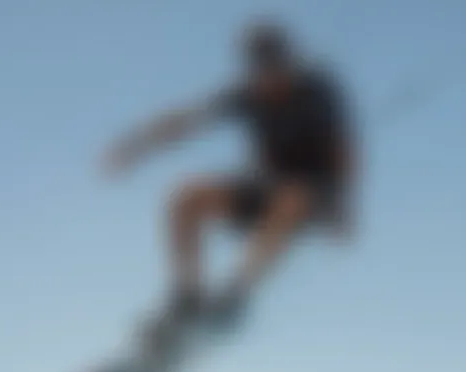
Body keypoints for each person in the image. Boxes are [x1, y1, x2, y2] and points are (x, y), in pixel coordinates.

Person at [102, 21, 358, 352]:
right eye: (263, 73)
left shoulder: (317, 89)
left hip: (317, 198)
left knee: (291, 195)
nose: (271, 82)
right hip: (266, 190)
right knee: (186, 196)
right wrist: (134, 145)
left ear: (289, 62)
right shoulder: (246, 95)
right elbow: (187, 120)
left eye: (278, 70)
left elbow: (343, 147)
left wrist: (345, 205)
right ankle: (188, 298)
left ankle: (235, 297)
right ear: (254, 70)